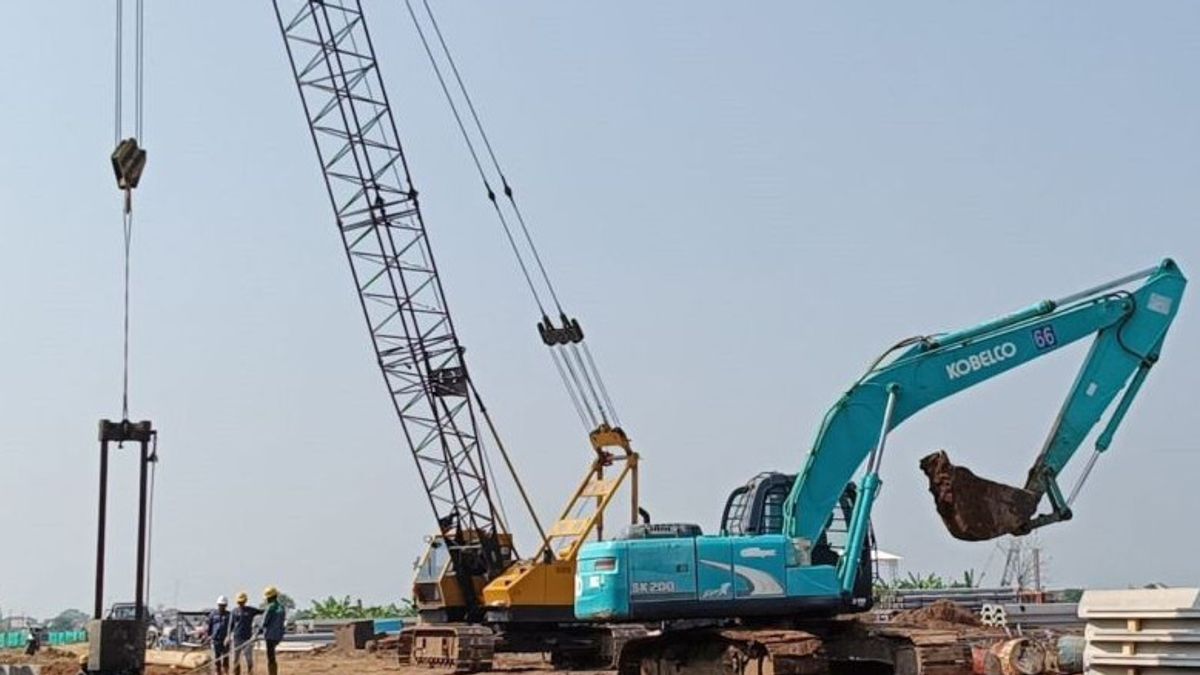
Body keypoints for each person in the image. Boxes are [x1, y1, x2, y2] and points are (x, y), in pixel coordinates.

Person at [230, 591, 262, 675]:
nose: (241, 603)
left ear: (245, 601)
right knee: (235, 659)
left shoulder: (251, 610)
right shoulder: (234, 611)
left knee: (249, 658)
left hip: (248, 638)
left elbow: (262, 612)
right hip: (237, 637)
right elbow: (230, 625)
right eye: (240, 602)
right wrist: (227, 635)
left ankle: (250, 672)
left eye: (242, 601)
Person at [261, 586, 286, 675]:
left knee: (270, 657)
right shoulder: (282, 607)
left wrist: (259, 629)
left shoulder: (270, 607)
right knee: (273, 657)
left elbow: (264, 621)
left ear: (269, 597)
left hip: (270, 636)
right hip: (278, 635)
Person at [207, 596, 232, 675]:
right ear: (218, 605)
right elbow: (210, 626)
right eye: (220, 605)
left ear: (226, 605)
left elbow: (232, 627)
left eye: (223, 605)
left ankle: (226, 672)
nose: (222, 607)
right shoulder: (213, 614)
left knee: (225, 657)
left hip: (225, 640)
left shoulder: (229, 615)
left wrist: (229, 636)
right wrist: (209, 636)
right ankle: (218, 672)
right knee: (217, 658)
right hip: (216, 639)